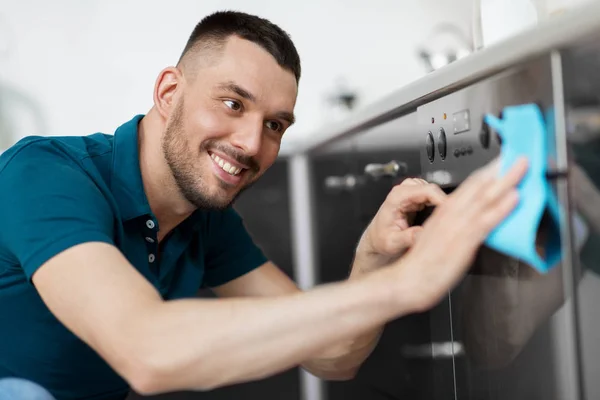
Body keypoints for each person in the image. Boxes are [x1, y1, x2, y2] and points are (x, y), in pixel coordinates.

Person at [0, 10, 528, 400]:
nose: (252, 144)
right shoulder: (47, 174)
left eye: (274, 124)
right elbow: (145, 350)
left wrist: (374, 259)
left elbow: (331, 356)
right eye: (233, 104)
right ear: (168, 91)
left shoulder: (204, 221)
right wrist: (406, 286)